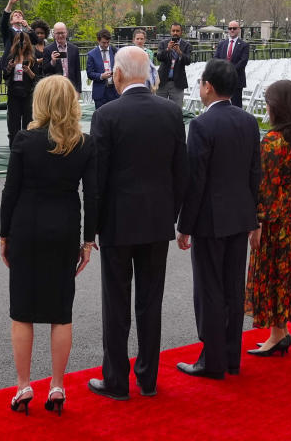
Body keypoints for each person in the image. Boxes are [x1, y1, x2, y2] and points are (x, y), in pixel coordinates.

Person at [87, 47, 188, 400]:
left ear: (116, 74)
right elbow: (181, 172)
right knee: (150, 302)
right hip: (157, 222)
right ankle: (147, 377)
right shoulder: (171, 113)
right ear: (148, 75)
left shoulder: (106, 115)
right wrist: (171, 214)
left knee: (116, 303)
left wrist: (92, 228)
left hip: (116, 223)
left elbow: (96, 178)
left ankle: (116, 380)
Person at [0, 75, 97, 416]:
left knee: (22, 311)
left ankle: (24, 384)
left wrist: (3, 235)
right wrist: (88, 240)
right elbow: (93, 195)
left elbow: (10, 192)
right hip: (65, 228)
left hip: (26, 228)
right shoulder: (84, 143)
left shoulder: (25, 139)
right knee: (61, 312)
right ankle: (57, 385)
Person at [176, 59, 261, 380]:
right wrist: (253, 216)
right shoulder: (249, 122)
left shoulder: (201, 125)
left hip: (210, 220)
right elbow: (255, 174)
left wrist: (185, 225)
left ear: (208, 86)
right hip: (240, 216)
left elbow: (194, 181)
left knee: (209, 289)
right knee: (232, 288)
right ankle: (230, 357)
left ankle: (212, 360)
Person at [245, 80, 291, 357]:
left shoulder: (273, 141)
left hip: (274, 220)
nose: (266, 106)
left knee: (271, 275)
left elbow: (266, 188)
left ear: (278, 107)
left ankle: (276, 333)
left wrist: (257, 224)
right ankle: (280, 331)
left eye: (269, 102)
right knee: (285, 274)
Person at [4, 31, 37, 148]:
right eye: (18, 41)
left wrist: (28, 71)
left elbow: (36, 78)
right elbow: (5, 76)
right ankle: (14, 146)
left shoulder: (32, 58)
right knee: (13, 122)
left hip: (27, 93)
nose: (21, 44)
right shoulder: (11, 57)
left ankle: (27, 146)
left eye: (23, 41)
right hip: (14, 94)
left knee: (28, 121)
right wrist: (9, 68)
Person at [214, 21, 250, 108]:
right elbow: (215, 59)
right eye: (230, 28)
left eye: (234, 28)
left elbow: (243, 62)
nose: (232, 30)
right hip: (222, 80)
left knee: (236, 106)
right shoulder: (222, 44)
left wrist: (229, 71)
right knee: (221, 105)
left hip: (236, 80)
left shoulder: (244, 45)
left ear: (239, 30)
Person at [156, 23, 193, 107]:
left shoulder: (187, 45)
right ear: (170, 32)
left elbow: (188, 61)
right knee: (159, 109)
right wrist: (167, 49)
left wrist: (180, 52)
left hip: (177, 83)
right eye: (173, 31)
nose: (175, 33)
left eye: (177, 31)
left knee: (177, 110)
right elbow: (159, 57)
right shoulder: (163, 43)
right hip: (162, 82)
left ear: (181, 32)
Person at [44, 22, 82, 93]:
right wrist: (52, 62)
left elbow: (77, 71)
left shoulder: (74, 49)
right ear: (54, 34)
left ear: (66, 33)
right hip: (55, 88)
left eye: (62, 33)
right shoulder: (48, 49)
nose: (60, 36)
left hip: (71, 87)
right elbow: (45, 70)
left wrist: (78, 90)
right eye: (58, 33)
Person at [86, 29, 118, 109]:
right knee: (101, 118)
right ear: (98, 40)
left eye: (108, 42)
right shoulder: (91, 54)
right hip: (100, 93)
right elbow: (89, 73)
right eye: (104, 42)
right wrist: (101, 76)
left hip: (114, 91)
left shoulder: (115, 51)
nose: (106, 45)